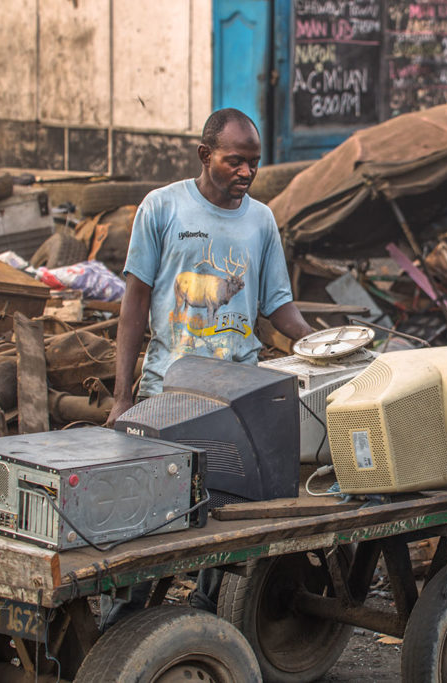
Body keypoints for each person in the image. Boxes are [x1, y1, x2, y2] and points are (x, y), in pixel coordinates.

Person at [101, 108, 312, 627]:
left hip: (239, 396)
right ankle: (121, 627)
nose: (246, 173)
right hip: (166, 392)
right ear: (204, 156)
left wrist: (322, 341)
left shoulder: (261, 220)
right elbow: (134, 306)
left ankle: (205, 623)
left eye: (254, 164)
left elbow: (277, 305)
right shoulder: (162, 208)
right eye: (235, 161)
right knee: (148, 516)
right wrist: (122, 395)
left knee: (230, 518)